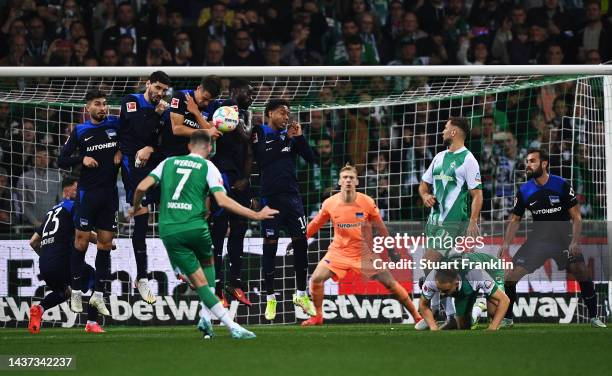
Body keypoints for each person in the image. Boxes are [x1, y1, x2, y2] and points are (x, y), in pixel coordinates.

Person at [130, 130, 278, 339]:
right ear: (210, 149)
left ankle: (211, 318)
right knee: (207, 267)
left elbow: (141, 187)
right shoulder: (208, 166)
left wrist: (136, 207)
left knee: (199, 279)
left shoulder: (168, 162)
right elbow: (223, 201)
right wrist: (255, 214)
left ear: (189, 146)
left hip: (170, 230)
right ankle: (225, 323)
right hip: (197, 228)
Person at [302, 165, 422, 326]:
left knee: (390, 283)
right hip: (338, 252)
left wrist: (392, 249)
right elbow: (316, 224)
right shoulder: (330, 203)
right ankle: (318, 316)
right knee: (316, 279)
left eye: (351, 177)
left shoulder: (367, 202)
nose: (348, 180)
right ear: (339, 181)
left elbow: (381, 228)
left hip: (363, 253)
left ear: (357, 181)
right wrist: (300, 241)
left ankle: (417, 316)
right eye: (345, 177)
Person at [499, 148, 606, 328]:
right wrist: (506, 243)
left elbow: (577, 217)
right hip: (537, 241)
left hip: (563, 240)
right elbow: (515, 219)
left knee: (582, 271)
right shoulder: (525, 190)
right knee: (511, 277)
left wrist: (574, 241)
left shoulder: (561, 184)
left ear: (544, 163)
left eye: (532, 161)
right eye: (527, 161)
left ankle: (594, 317)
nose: (528, 165)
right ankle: (508, 319)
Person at [251, 99, 316, 321]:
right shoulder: (260, 130)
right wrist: (285, 140)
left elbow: (311, 158)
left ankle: (300, 294)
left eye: (287, 113)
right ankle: (270, 297)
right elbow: (262, 159)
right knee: (270, 245)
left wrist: (300, 138)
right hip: (270, 199)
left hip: (293, 198)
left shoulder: (289, 135)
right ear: (270, 113)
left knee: (301, 242)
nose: (286, 117)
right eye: (281, 112)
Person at [58, 90, 121, 317]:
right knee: (81, 242)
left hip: (109, 195)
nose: (103, 108)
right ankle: (76, 291)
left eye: (105, 104)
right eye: (98, 104)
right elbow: (62, 159)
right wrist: (81, 158)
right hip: (87, 194)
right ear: (88, 108)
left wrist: (122, 150)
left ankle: (98, 295)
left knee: (105, 244)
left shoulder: (116, 123)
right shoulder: (80, 131)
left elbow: (132, 140)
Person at [418, 117, 483, 328]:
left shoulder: (468, 160)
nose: (442, 132)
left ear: (454, 132)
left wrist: (473, 221)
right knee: (442, 268)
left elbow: (477, 194)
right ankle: (452, 316)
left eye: (445, 128)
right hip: (434, 221)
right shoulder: (438, 157)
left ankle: (434, 309)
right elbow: (423, 185)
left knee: (429, 262)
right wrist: (425, 196)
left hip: (454, 223)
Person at [119, 70, 171, 304]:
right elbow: (140, 131)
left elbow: (157, 137)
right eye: (157, 87)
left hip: (156, 161)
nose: (160, 93)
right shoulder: (131, 101)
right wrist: (156, 114)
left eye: (164, 90)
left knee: (172, 210)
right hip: (134, 164)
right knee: (142, 216)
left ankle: (181, 267)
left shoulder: (162, 109)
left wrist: (151, 145)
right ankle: (141, 277)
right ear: (147, 84)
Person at [28, 177, 103, 334]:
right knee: (97, 279)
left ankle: (39, 309)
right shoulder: (71, 206)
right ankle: (91, 323)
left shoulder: (50, 212)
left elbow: (33, 242)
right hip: (64, 261)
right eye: (76, 190)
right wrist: (105, 241)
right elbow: (83, 231)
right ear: (66, 191)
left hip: (45, 265)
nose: (78, 193)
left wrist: (47, 256)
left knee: (64, 293)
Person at [208, 78, 255, 307]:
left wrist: (245, 178)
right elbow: (244, 135)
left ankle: (235, 284)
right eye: (248, 92)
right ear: (236, 91)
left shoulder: (246, 113)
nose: (251, 96)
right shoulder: (225, 108)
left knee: (239, 230)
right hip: (221, 176)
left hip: (239, 179)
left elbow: (248, 149)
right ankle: (216, 287)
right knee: (218, 231)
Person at [418, 253, 510, 331]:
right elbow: (423, 304)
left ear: (456, 283)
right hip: (466, 282)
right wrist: (433, 327)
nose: (442, 294)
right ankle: (476, 311)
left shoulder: (475, 274)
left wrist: (492, 328)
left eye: (445, 291)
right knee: (463, 326)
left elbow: (505, 300)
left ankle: (480, 305)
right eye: (439, 290)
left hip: (490, 268)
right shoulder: (432, 279)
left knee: (495, 311)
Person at [160, 76, 222, 158]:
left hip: (197, 156)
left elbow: (212, 136)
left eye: (210, 101)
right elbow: (177, 129)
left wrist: (196, 112)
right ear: (199, 88)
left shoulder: (215, 105)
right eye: (204, 98)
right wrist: (206, 132)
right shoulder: (180, 97)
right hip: (172, 153)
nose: (206, 103)